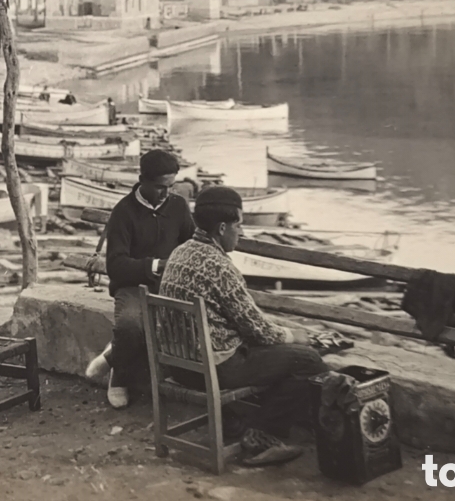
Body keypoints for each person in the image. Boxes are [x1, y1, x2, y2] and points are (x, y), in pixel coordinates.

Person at [159, 185, 330, 467]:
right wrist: (297, 335)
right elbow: (259, 332)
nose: (242, 232)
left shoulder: (179, 253)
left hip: (178, 367)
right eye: (239, 224)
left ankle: (245, 423)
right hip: (215, 370)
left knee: (279, 355)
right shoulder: (221, 268)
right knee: (308, 361)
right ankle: (261, 435)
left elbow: (240, 319)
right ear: (222, 228)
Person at [84, 149, 195, 409]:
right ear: (142, 179)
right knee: (130, 326)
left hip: (169, 287)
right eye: (159, 188)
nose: (166, 194)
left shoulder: (178, 205)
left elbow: (191, 243)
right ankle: (118, 376)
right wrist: (156, 265)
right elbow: (116, 266)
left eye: (171, 186)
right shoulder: (123, 212)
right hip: (133, 286)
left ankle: (112, 356)